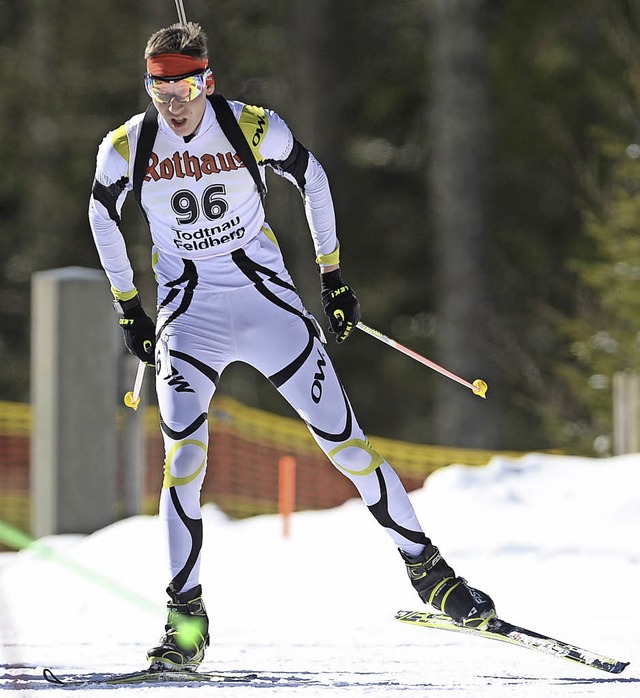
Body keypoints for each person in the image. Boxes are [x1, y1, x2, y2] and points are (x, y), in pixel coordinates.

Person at [88, 21, 496, 672]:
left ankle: (430, 571)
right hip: (189, 318)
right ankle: (184, 625)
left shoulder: (250, 125)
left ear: (207, 80)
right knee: (183, 461)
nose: (173, 103)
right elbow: (100, 213)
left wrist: (332, 276)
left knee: (348, 447)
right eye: (159, 89)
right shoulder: (128, 146)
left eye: (185, 87)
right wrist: (127, 306)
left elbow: (313, 178)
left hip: (267, 308)